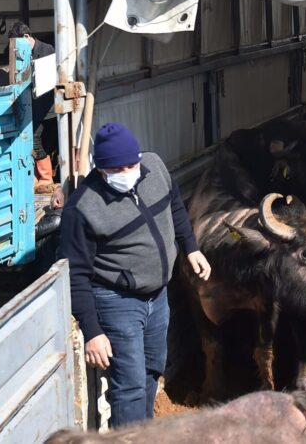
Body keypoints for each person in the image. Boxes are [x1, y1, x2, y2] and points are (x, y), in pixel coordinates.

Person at [59, 122, 212, 427]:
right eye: (119, 168)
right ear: (101, 170)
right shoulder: (83, 208)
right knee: (128, 385)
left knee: (152, 370)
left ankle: (144, 433)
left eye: (133, 163)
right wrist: (93, 331)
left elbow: (176, 209)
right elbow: (75, 275)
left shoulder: (154, 167)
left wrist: (191, 247)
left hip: (158, 295)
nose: (129, 171)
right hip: (117, 300)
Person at [6, 22, 58, 194]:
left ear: (27, 37)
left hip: (49, 108)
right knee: (34, 140)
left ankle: (49, 177)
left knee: (51, 142)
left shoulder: (48, 51)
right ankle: (44, 178)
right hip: (33, 108)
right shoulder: (19, 53)